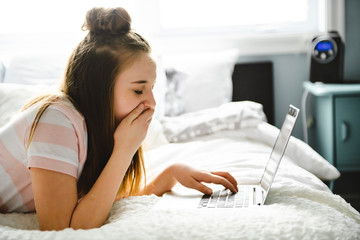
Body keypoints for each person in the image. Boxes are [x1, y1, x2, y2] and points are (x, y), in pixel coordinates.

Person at [0, 7, 238, 230]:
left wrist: (171, 174)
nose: (152, 103)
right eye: (138, 90)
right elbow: (62, 229)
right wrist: (124, 149)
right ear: (97, 88)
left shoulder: (97, 127)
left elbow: (105, 198)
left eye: (152, 88)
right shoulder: (56, 119)